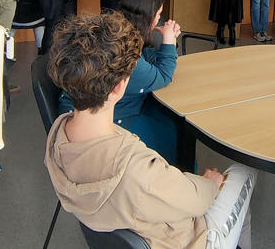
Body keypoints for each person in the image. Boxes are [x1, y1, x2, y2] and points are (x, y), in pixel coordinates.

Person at [44, 13, 257, 249]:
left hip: (127, 219)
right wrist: (209, 184)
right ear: (119, 88)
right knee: (244, 172)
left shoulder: (58, 133)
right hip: (189, 239)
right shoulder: (138, 170)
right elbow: (197, 201)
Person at [59, 0, 181, 162]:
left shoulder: (115, 33)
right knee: (172, 135)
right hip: (106, 121)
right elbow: (163, 75)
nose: (160, 19)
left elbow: (148, 58)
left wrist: (166, 45)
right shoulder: (125, 57)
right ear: (147, 17)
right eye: (159, 14)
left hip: (81, 112)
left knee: (165, 119)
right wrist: (169, 41)